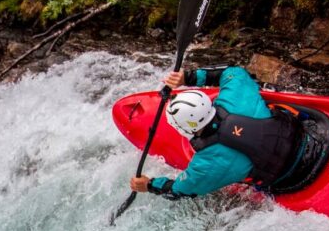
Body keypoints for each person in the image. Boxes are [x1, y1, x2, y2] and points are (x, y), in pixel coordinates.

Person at [129, 65, 313, 200]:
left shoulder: (206, 165)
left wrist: (149, 185)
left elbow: (181, 189)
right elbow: (234, 71)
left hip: (290, 175)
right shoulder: (235, 96)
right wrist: (189, 77)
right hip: (312, 139)